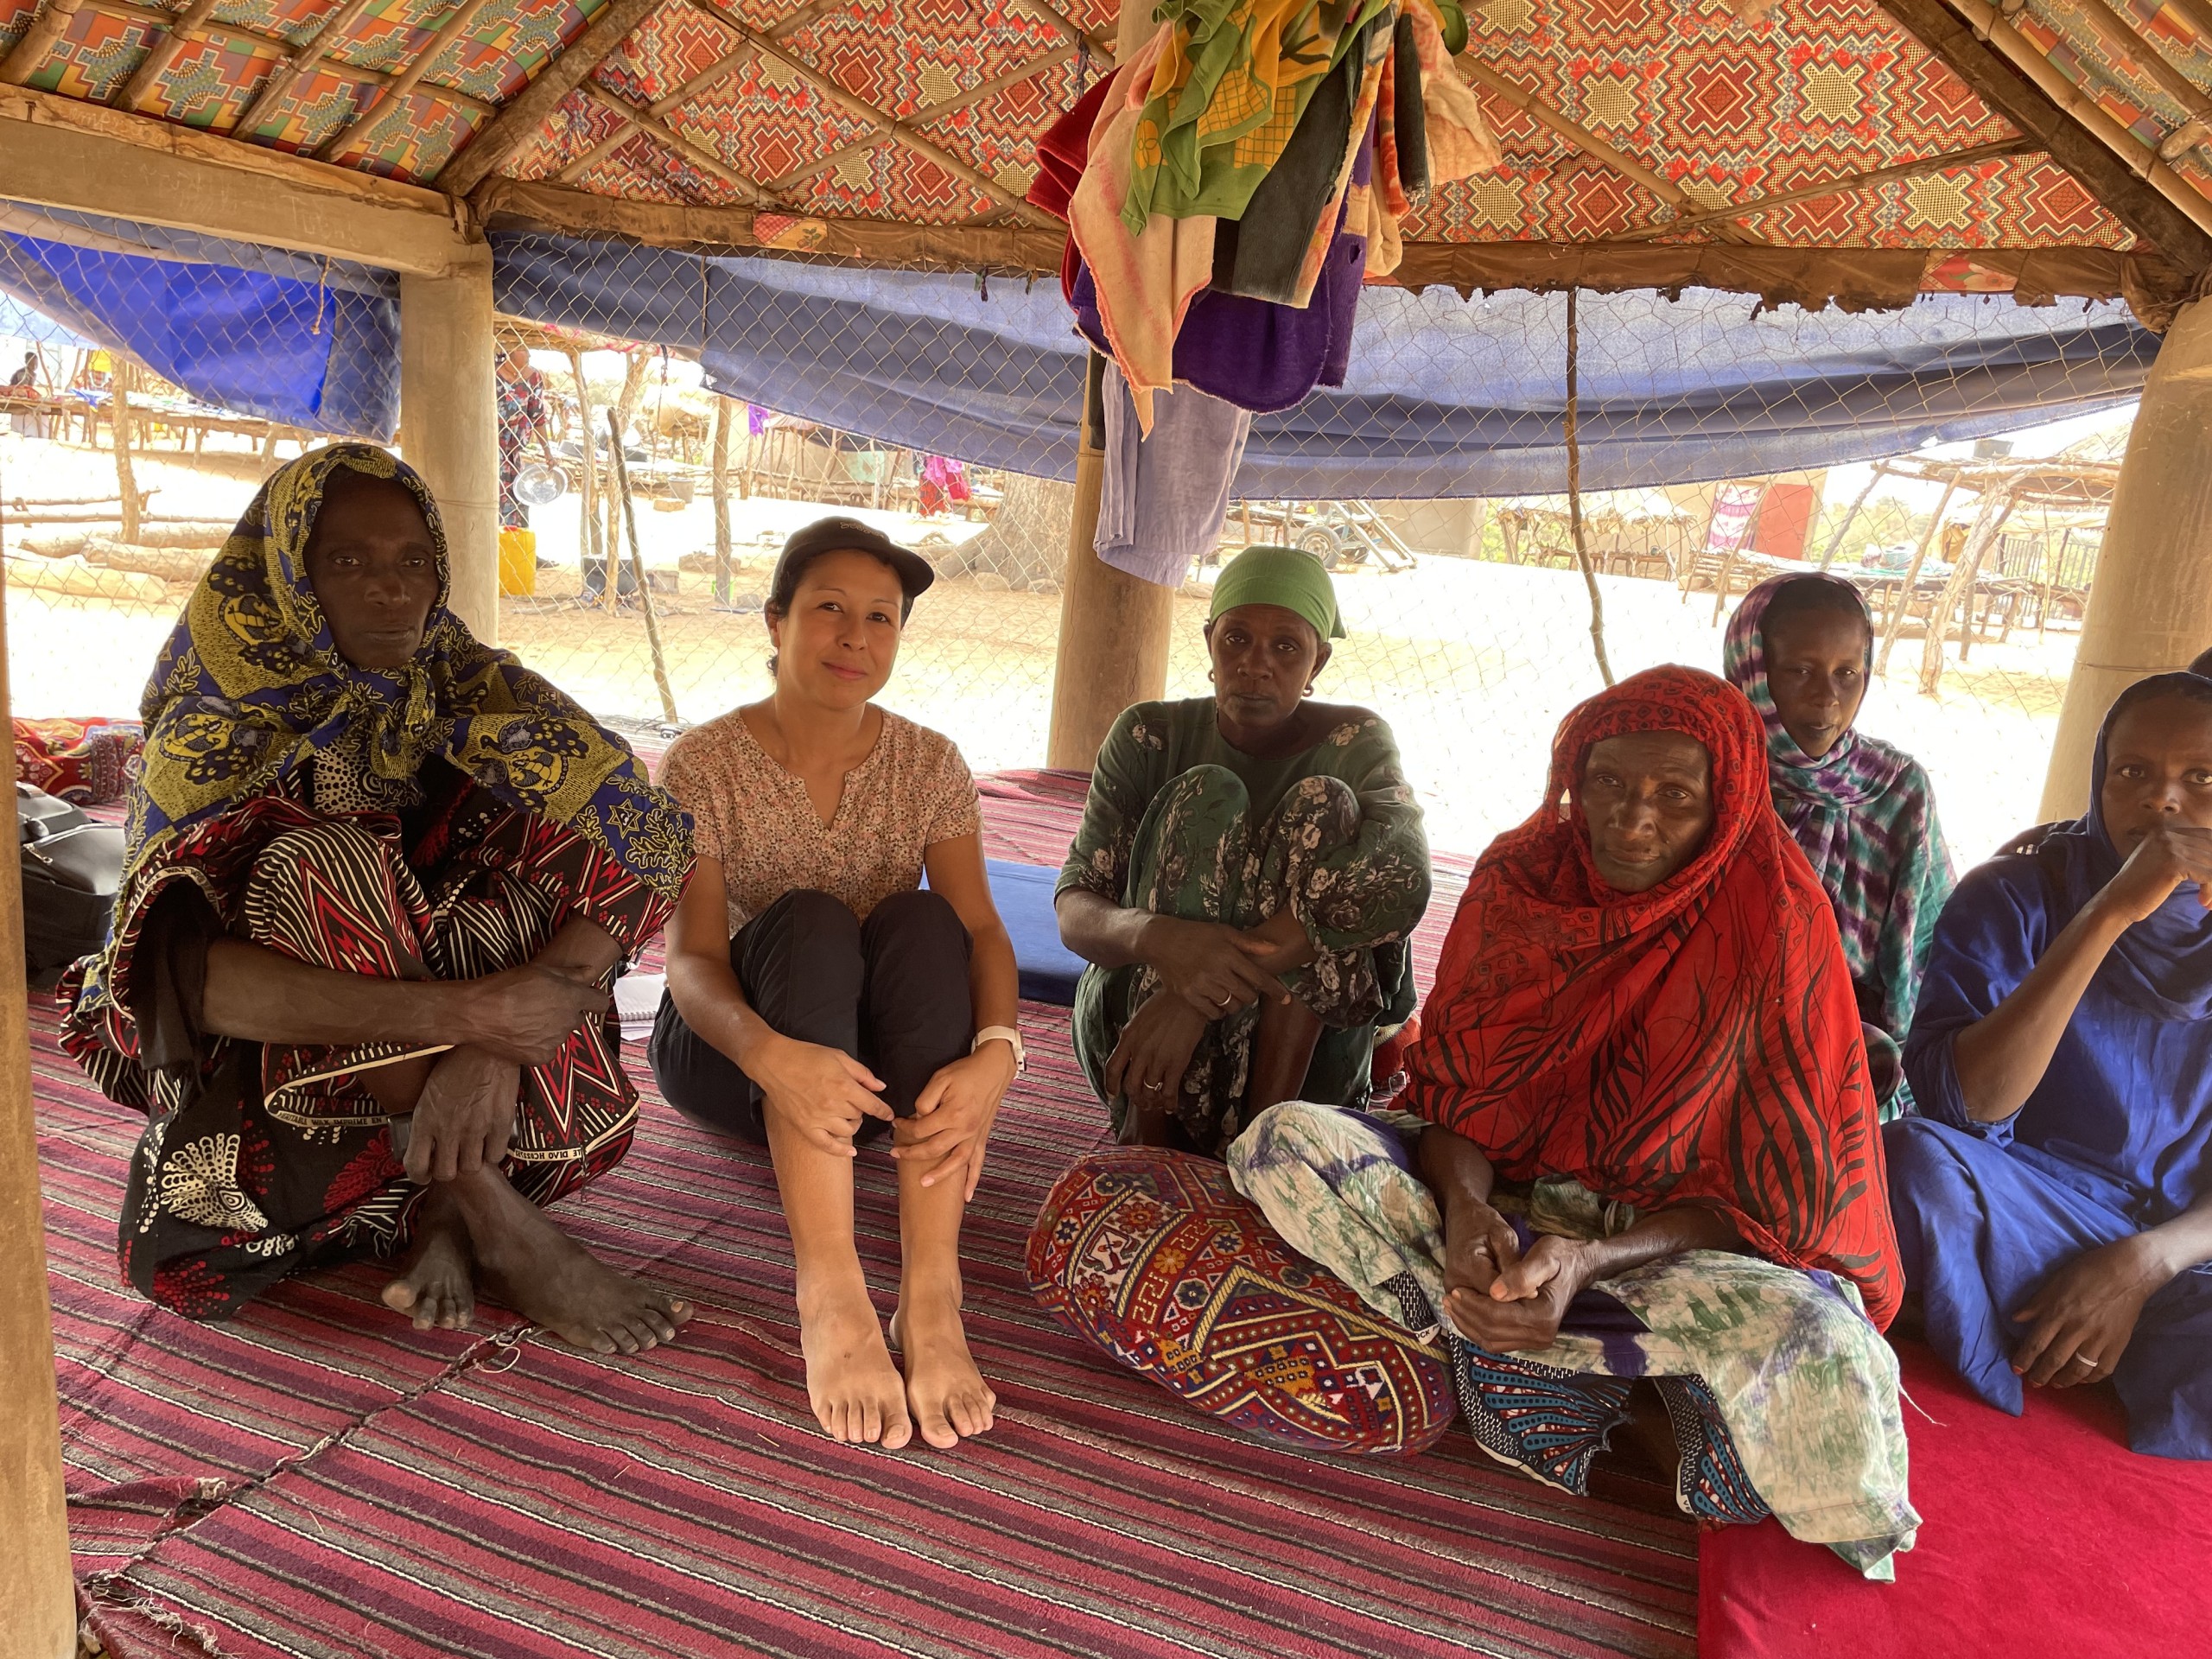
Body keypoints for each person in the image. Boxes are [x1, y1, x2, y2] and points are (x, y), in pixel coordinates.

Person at [1229, 666, 1916, 1577]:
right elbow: (1454, 1104)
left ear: (1728, 798)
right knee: (1283, 1142)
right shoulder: (1521, 881)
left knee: (1824, 1350)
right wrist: (1470, 1212)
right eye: (1609, 785)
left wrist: (1587, 1257)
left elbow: (1769, 1206)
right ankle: (1526, 1356)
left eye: (1674, 796)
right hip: (1492, 1215)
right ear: (1573, 780)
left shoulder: (1778, 922)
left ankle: (1479, 1356)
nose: (1634, 820)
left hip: (1664, 1249)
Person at [59, 445, 696, 1354]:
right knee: (323, 863)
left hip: (502, 1105)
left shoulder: (463, 682)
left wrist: (505, 1036)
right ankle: (486, 1213)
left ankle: (440, 1204)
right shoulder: (212, 729)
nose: (391, 590)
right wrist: (473, 1015)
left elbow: (654, 837)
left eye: (413, 562)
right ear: (286, 571)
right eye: (347, 562)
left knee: (585, 802)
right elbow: (185, 987)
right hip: (297, 1095)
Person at [651, 517, 1018, 1452]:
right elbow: (690, 962)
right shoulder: (702, 764)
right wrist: (771, 1054)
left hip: (872, 1071)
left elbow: (979, 928)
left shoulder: (928, 763)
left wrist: (997, 1058)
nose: (856, 637)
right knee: (813, 918)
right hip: (737, 1051)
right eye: (828, 610)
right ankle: (834, 1293)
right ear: (774, 622)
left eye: (881, 618)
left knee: (923, 921)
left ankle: (932, 1295)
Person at [1889, 669, 2212, 1459]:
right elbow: (1968, 1108)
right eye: (2132, 773)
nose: (2163, 802)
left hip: (2185, 1250)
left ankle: (2086, 1332)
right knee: (1908, 1167)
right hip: (2026, 1211)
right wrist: (2107, 913)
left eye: (2202, 778)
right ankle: (2065, 1335)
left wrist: (2143, 1264)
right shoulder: (2015, 894)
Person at [1054, 545, 1430, 1158]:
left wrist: (1192, 995)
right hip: (1140, 1045)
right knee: (1207, 795)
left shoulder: (1353, 741)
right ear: (1209, 643)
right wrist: (1157, 938)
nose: (1256, 665)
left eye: (1286, 647)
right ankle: (1145, 1137)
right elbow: (1075, 909)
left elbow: (1402, 875)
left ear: (1319, 661)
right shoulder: (1151, 735)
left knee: (1326, 804)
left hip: (1305, 1073)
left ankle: (1263, 1149)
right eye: (1237, 640)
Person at [1722, 572, 1951, 1110]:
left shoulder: (1895, 790)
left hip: (1843, 1043)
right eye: (1800, 670)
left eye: (1848, 673)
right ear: (1752, 669)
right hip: (1708, 1023)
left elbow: (1920, 954)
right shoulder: (1711, 775)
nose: (1828, 697)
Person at [495, 340, 552, 532]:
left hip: (515, 451)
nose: (529, 354)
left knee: (519, 494)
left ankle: (514, 543)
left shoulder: (533, 377)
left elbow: (538, 417)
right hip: (491, 448)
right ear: (509, 350)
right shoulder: (491, 372)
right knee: (493, 494)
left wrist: (548, 453)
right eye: (524, 349)